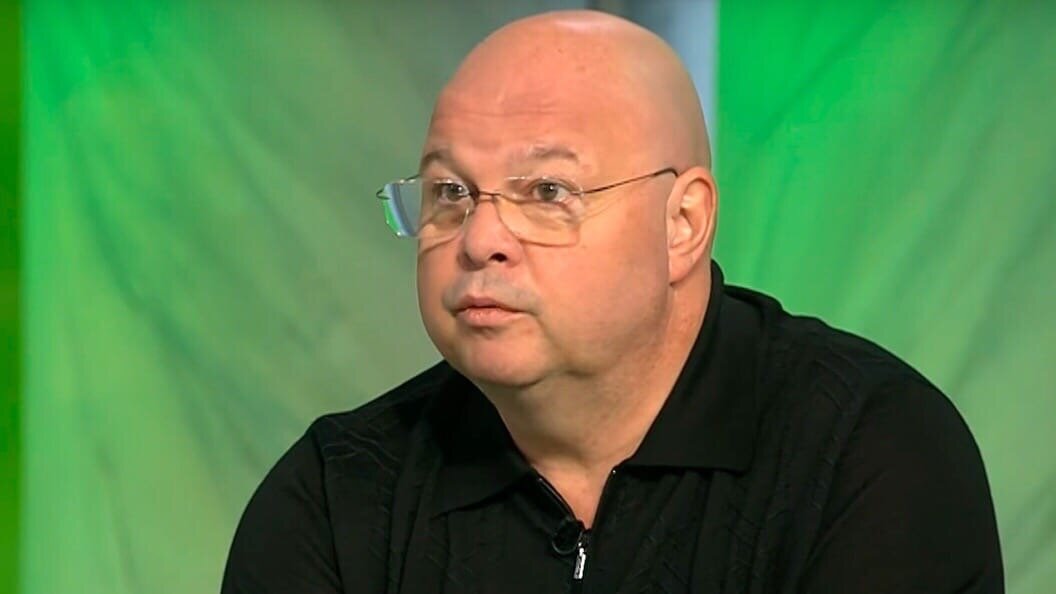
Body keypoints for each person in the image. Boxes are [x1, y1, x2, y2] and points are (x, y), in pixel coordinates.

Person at [221, 9, 1003, 593]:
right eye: (450, 192)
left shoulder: (866, 451)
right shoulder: (338, 494)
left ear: (682, 224)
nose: (480, 238)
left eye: (547, 192)